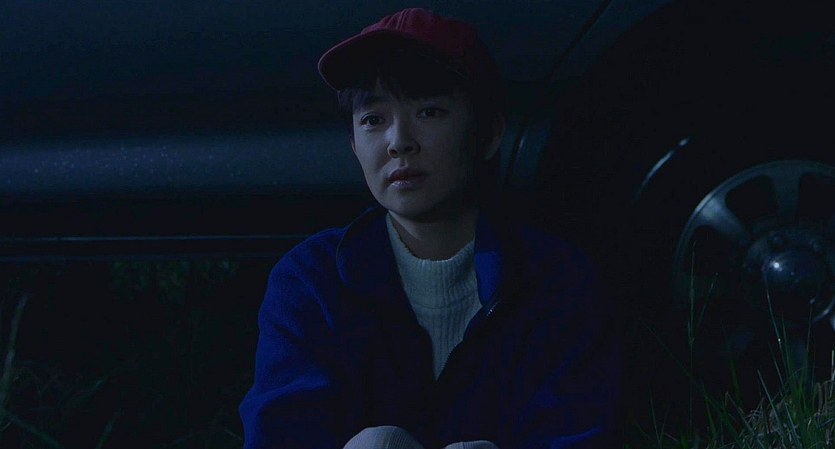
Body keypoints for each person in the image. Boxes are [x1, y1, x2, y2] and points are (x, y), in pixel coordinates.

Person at [239, 8, 620, 449]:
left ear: (489, 134)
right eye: (373, 119)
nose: (399, 141)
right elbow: (282, 434)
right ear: (354, 145)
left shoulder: (556, 281)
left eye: (429, 111)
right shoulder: (311, 280)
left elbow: (575, 431)